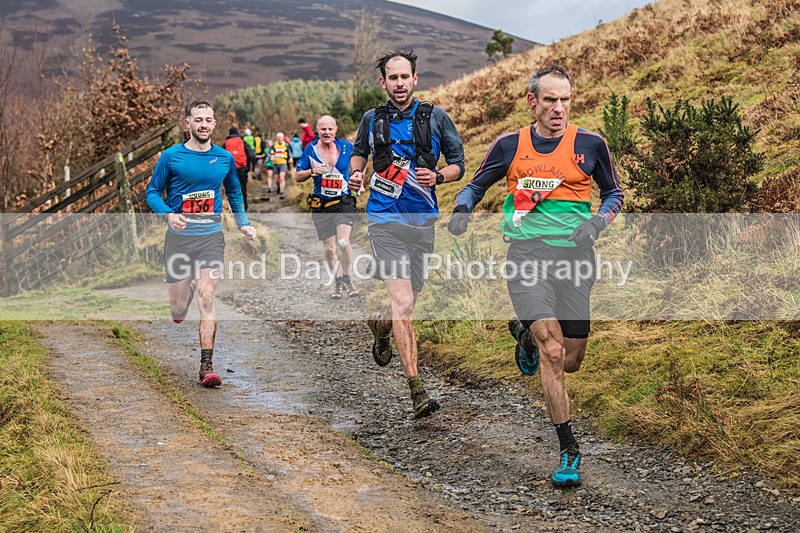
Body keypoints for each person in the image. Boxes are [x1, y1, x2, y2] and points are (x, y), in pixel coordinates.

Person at [448, 64, 624, 487]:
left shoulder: (591, 143)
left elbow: (614, 193)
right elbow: (475, 184)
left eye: (565, 100)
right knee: (553, 352)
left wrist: (596, 223)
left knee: (573, 357)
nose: (559, 108)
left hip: (575, 260)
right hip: (527, 257)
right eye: (550, 100)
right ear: (533, 102)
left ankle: (524, 333)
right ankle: (568, 448)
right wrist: (462, 208)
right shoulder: (509, 145)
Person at [349, 47, 465, 419]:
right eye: (392, 78)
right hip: (384, 221)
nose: (399, 84)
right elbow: (359, 152)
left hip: (422, 221)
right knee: (404, 304)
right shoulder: (372, 118)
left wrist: (440, 176)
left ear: (415, 79)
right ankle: (417, 390)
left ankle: (381, 327)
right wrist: (357, 172)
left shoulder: (436, 117)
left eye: (405, 77)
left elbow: (459, 164)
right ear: (383, 83)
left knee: (409, 300)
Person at [146, 100, 257, 388]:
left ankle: (206, 366)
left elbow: (234, 191)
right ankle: (186, 292)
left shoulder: (223, 158)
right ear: (188, 123)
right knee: (178, 308)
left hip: (211, 236)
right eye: (198, 120)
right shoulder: (171, 157)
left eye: (208, 119)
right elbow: (153, 193)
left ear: (214, 123)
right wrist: (168, 215)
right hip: (179, 239)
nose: (204, 124)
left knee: (207, 297)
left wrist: (243, 222)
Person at [295, 115, 359, 298]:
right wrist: (310, 171)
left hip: (344, 201)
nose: (327, 132)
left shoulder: (347, 147)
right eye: (323, 129)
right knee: (329, 249)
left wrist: (358, 180)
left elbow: (358, 166)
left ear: (336, 130)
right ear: (317, 131)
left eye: (330, 129)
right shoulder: (311, 150)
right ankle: (338, 281)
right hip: (321, 205)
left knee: (343, 241)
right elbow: (297, 176)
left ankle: (347, 277)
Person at [223, 127, 250, 210]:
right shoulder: (242, 142)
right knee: (243, 187)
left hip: (230, 170)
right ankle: (244, 205)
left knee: (232, 188)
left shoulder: (226, 143)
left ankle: (236, 207)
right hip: (242, 169)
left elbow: (222, 157)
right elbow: (251, 154)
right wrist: (248, 166)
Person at [270, 132, 293, 200]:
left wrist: (291, 158)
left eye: (281, 138)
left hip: (283, 162)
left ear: (283, 138)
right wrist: (271, 157)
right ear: (276, 138)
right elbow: (270, 153)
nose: (280, 139)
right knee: (277, 179)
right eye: (278, 138)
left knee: (282, 177)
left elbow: (290, 153)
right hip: (275, 163)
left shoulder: (286, 144)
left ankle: (281, 192)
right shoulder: (273, 145)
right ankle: (279, 187)